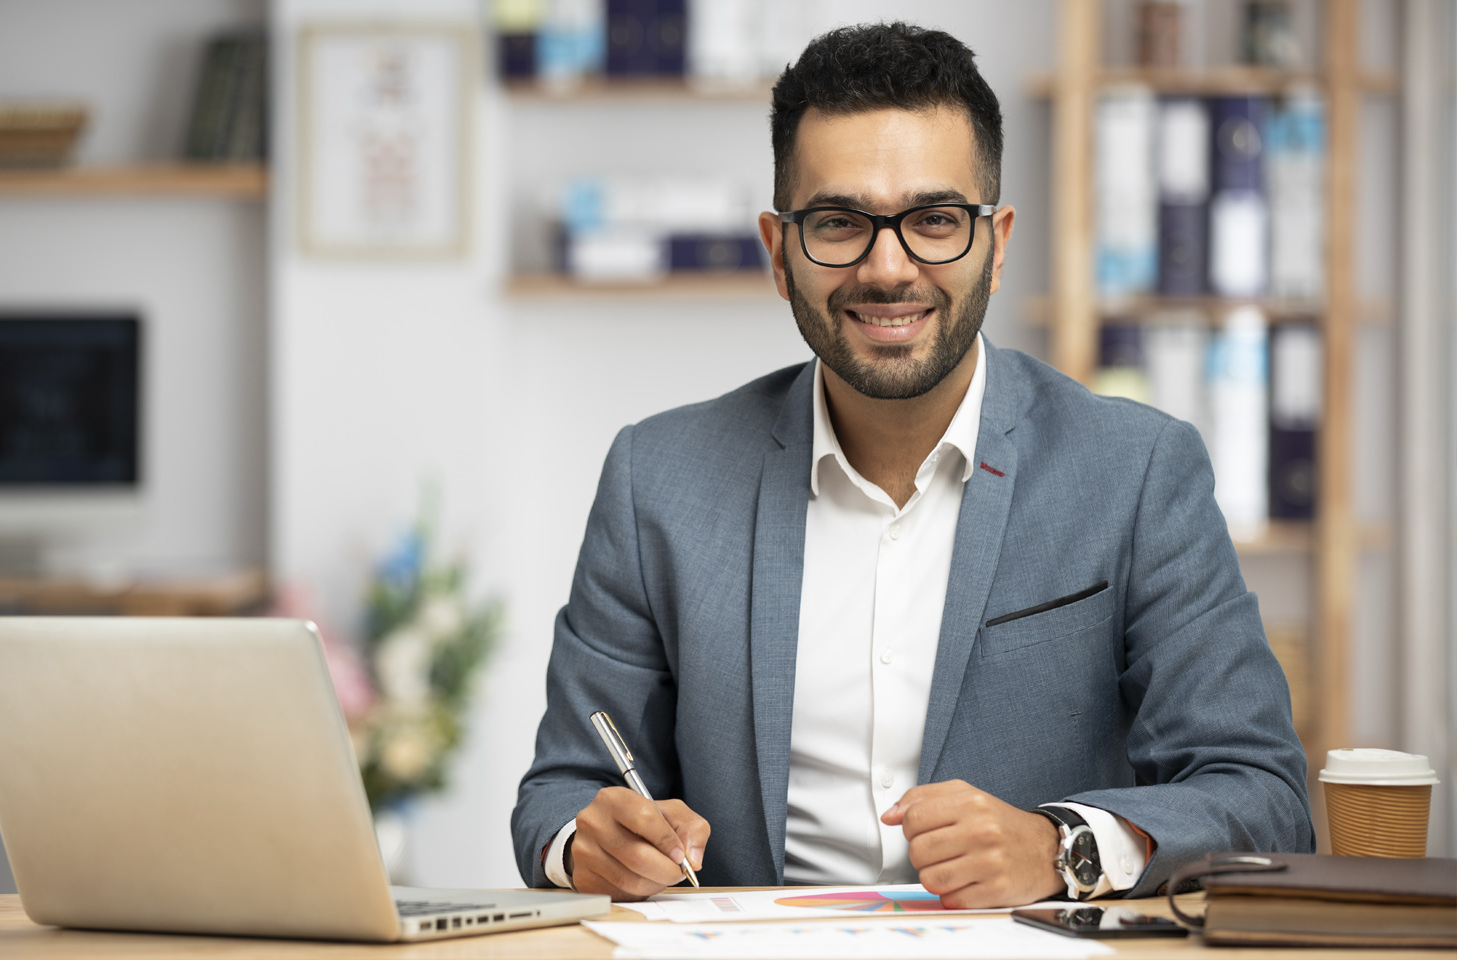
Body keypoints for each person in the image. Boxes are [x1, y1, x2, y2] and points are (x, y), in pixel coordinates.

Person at [511, 21, 1312, 907]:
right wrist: (586, 844)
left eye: (934, 220)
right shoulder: (656, 479)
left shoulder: (1138, 473)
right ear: (779, 254)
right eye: (840, 222)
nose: (888, 268)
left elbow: (1264, 798)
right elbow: (558, 794)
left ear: (997, 244)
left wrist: (1062, 848)